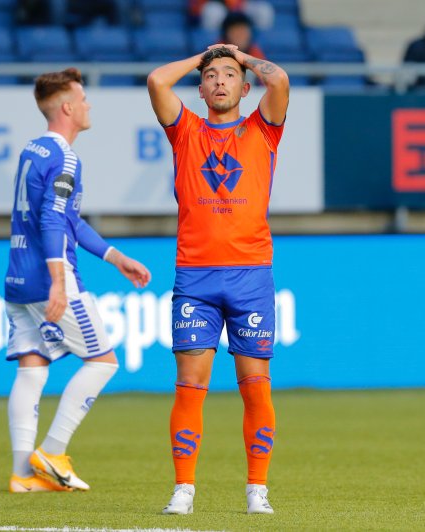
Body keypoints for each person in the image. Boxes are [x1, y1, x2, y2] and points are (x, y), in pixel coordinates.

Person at [147, 43, 288, 515]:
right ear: (203, 89)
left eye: (230, 75)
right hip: (195, 276)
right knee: (189, 383)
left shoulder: (263, 131)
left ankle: (257, 490)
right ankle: (184, 488)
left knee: (256, 385)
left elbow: (281, 81)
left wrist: (242, 56)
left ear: (245, 87)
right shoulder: (186, 131)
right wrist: (203, 55)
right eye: (212, 76)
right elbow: (156, 82)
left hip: (251, 275)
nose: (220, 81)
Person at [5, 68, 151, 493]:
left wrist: (115, 257)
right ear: (67, 107)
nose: (88, 105)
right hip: (49, 275)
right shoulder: (65, 156)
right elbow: (53, 219)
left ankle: (22, 474)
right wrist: (57, 282)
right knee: (103, 361)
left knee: (32, 369)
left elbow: (68, 219)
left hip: (16, 273)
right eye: (83, 98)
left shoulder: (32, 150)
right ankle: (52, 451)